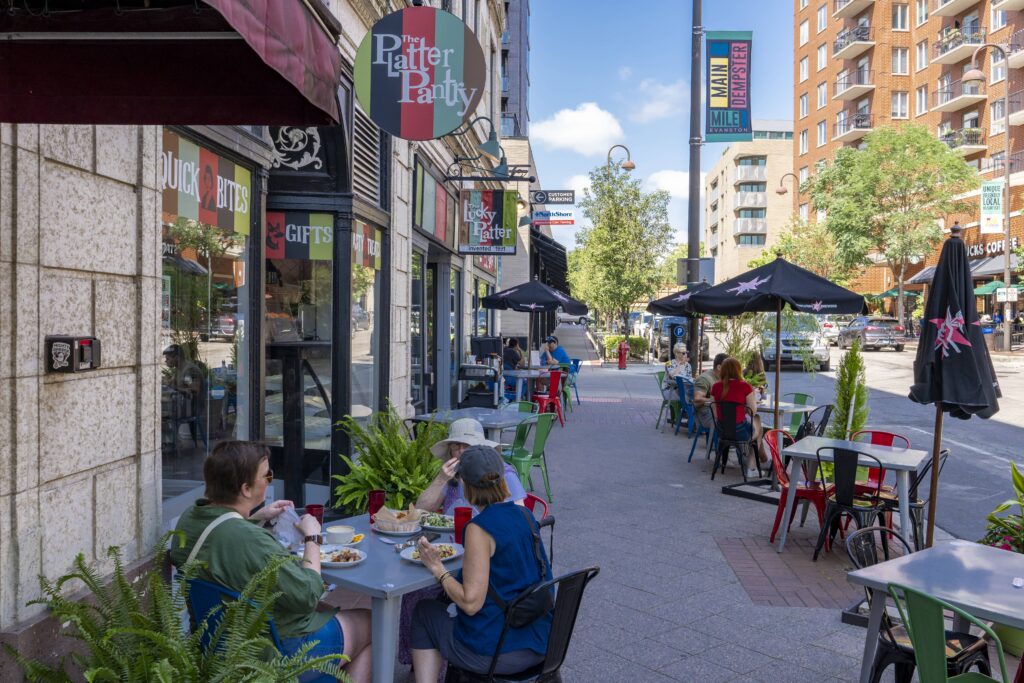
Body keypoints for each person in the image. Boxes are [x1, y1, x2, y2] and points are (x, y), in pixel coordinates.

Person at [170, 441, 372, 682]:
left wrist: (254, 517)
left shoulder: (190, 519)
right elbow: (308, 594)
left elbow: (223, 544)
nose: (270, 480)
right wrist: (312, 536)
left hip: (217, 646)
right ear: (246, 488)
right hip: (274, 651)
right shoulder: (251, 541)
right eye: (267, 475)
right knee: (374, 624)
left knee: (331, 612)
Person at [410, 445, 552, 682]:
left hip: (497, 652)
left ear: (465, 485)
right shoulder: (525, 516)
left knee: (424, 612)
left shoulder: (479, 528)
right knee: (441, 605)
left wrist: (438, 568)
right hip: (542, 640)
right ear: (502, 477)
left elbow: (471, 603)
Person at [416, 418, 526, 515]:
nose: (460, 451)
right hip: (452, 535)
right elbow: (421, 509)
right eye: (455, 446)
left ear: (480, 448)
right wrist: (440, 479)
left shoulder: (502, 473)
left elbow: (519, 516)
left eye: (467, 445)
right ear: (450, 451)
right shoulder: (450, 474)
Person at [710, 357, 765, 479]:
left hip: (721, 431)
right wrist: (741, 409)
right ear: (738, 370)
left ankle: (747, 456)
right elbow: (753, 410)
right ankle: (751, 467)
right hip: (740, 432)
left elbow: (715, 413)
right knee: (758, 428)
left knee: (753, 425)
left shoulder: (716, 387)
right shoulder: (744, 386)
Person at [693, 352, 728, 430]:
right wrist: (716, 400)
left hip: (719, 411)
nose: (730, 369)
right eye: (728, 367)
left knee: (752, 419)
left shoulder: (723, 378)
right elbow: (697, 399)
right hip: (706, 414)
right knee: (736, 423)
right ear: (719, 367)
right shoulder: (705, 378)